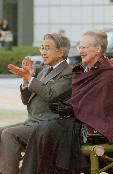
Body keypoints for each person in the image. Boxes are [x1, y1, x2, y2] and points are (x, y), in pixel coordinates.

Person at [20, 30, 113, 174]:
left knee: (49, 130)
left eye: (85, 47)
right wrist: (66, 107)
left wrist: (73, 108)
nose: (81, 51)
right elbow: (79, 101)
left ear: (98, 49)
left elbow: (102, 109)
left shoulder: (108, 75)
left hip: (97, 127)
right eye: (80, 47)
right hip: (78, 122)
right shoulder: (81, 71)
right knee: (43, 128)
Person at [1, 33, 73, 174]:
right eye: (42, 47)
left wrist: (31, 78)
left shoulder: (69, 72)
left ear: (60, 52)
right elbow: (26, 101)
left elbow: (51, 95)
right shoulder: (44, 71)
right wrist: (26, 81)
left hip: (50, 126)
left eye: (47, 48)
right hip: (32, 122)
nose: (42, 52)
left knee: (9, 134)